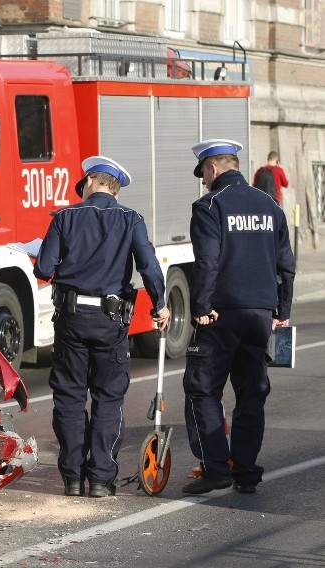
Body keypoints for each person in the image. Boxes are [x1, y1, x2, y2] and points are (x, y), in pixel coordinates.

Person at [34, 156, 170, 498]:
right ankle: (100, 479)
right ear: (115, 190)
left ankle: (73, 479)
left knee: (69, 397)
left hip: (71, 319)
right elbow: (149, 267)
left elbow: (44, 268)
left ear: (91, 181)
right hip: (111, 322)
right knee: (108, 398)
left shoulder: (65, 217)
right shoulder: (130, 219)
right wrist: (161, 304)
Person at [181, 139, 295, 495]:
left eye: (204, 175)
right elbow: (286, 265)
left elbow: (207, 261)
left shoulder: (210, 205)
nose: (203, 181)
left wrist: (200, 306)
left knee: (202, 389)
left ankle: (215, 468)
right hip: (260, 315)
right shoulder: (270, 204)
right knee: (251, 394)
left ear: (213, 169)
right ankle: (245, 472)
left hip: (220, 315)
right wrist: (283, 311)